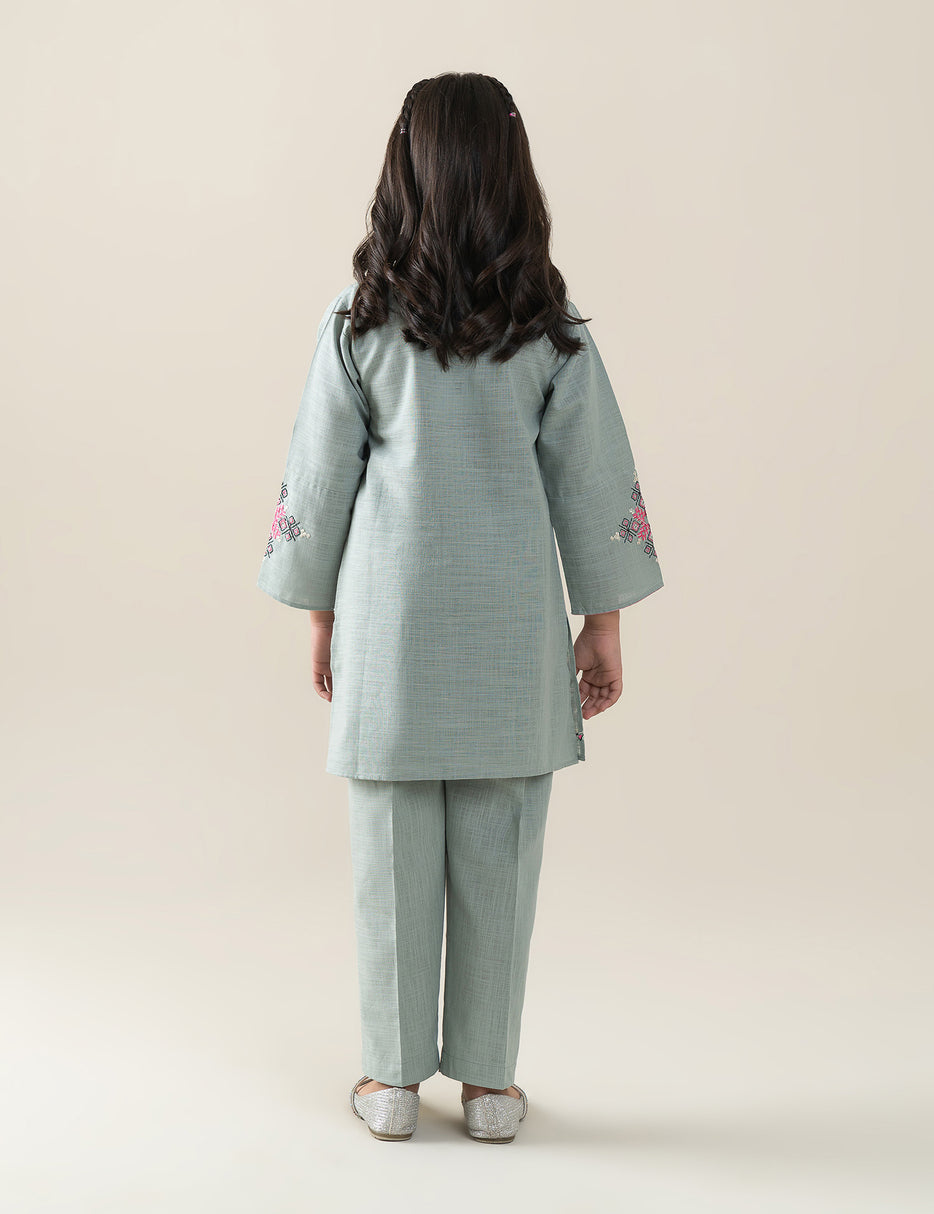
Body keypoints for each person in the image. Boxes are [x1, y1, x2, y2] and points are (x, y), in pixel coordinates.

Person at [256, 72, 664, 1144]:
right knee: (501, 852)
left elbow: (320, 481)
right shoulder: (550, 330)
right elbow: (592, 480)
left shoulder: (358, 325)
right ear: (513, 172)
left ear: (402, 170)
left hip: (388, 631)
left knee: (388, 859)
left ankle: (391, 1084)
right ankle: (488, 1087)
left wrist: (319, 616)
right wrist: (603, 622)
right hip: (512, 636)